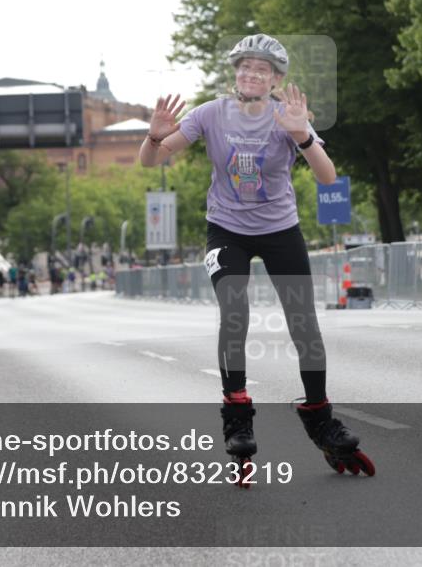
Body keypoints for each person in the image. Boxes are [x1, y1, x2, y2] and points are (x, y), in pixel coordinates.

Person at [139, 33, 375, 482]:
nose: (251, 74)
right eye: (244, 67)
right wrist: (154, 136)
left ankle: (320, 415)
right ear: (235, 73)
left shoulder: (286, 117)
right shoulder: (210, 114)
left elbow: (327, 179)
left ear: (276, 80)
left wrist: (302, 134)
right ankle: (237, 413)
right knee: (235, 310)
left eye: (261, 69)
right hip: (226, 228)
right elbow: (152, 162)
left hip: (279, 228)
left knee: (303, 320)